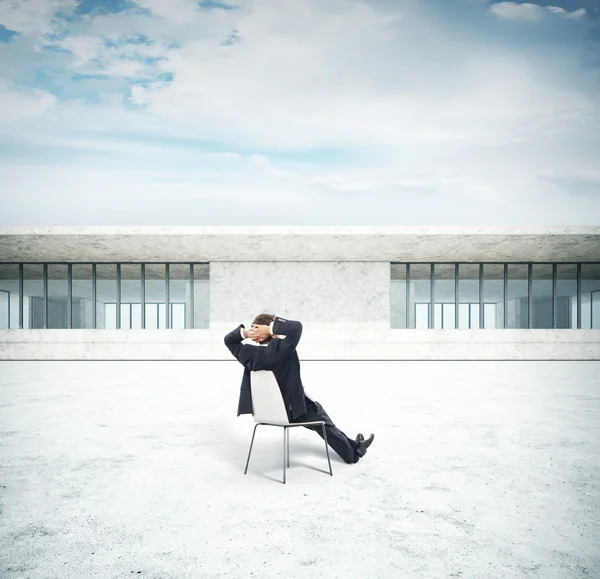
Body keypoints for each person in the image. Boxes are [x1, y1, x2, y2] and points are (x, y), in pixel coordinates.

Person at [224, 314, 374, 464]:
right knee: (318, 414)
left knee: (317, 415)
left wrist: (245, 333)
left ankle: (356, 445)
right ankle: (353, 455)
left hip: (266, 412)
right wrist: (269, 329)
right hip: (292, 412)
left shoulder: (247, 354)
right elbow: (296, 327)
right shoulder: (282, 349)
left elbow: (228, 340)